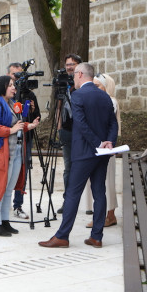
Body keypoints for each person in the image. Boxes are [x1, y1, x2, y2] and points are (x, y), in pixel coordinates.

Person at [38, 62, 118, 249]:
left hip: (84, 152)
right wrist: (108, 142)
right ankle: (96, 237)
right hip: (102, 153)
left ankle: (62, 236)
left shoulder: (78, 95)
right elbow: (112, 124)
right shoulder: (105, 96)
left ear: (81, 74)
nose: (73, 78)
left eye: (74, 75)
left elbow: (81, 125)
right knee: (100, 193)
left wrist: (98, 143)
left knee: (73, 193)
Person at [0, 75, 39, 236]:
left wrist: (30, 125)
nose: (14, 88)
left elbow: (16, 125)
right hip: (0, 154)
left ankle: (4, 221)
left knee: (8, 189)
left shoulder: (12, 104)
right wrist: (11, 131)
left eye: (14, 85)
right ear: (2, 87)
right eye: (11, 85)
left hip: (15, 153)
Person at [7, 62, 41, 220]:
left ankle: (17, 205)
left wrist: (32, 111)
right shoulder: (5, 95)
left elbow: (36, 118)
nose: (18, 79)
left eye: (20, 75)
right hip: (7, 139)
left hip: (25, 139)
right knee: (5, 170)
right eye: (15, 75)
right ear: (8, 76)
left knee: (23, 171)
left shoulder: (29, 94)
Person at [86, 72, 119, 230]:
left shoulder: (110, 101)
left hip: (105, 148)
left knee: (105, 182)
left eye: (97, 86)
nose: (94, 89)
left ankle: (107, 216)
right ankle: (105, 215)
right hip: (100, 147)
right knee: (101, 183)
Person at [58, 53, 82, 212]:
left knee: (81, 168)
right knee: (68, 168)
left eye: (72, 64)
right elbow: (58, 107)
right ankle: (67, 202)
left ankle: (82, 201)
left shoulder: (82, 84)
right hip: (66, 131)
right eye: (67, 64)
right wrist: (59, 127)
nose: (69, 67)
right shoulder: (62, 84)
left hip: (81, 132)